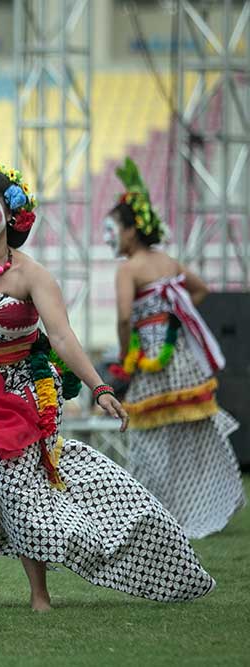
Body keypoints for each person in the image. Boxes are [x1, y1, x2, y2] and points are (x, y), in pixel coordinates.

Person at [0, 119, 216, 611]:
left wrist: (100, 388)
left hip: (21, 394)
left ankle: (39, 594)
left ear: (10, 214)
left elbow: (62, 337)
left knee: (24, 499)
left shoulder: (33, 274)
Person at [106, 158, 244, 538]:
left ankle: (152, 507)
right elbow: (199, 289)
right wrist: (171, 315)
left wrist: (125, 359)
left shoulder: (128, 269)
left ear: (131, 231)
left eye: (114, 228)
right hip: (184, 361)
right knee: (194, 436)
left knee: (150, 439)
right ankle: (207, 500)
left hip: (151, 364)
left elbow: (122, 319)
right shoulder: (167, 260)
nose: (112, 236)